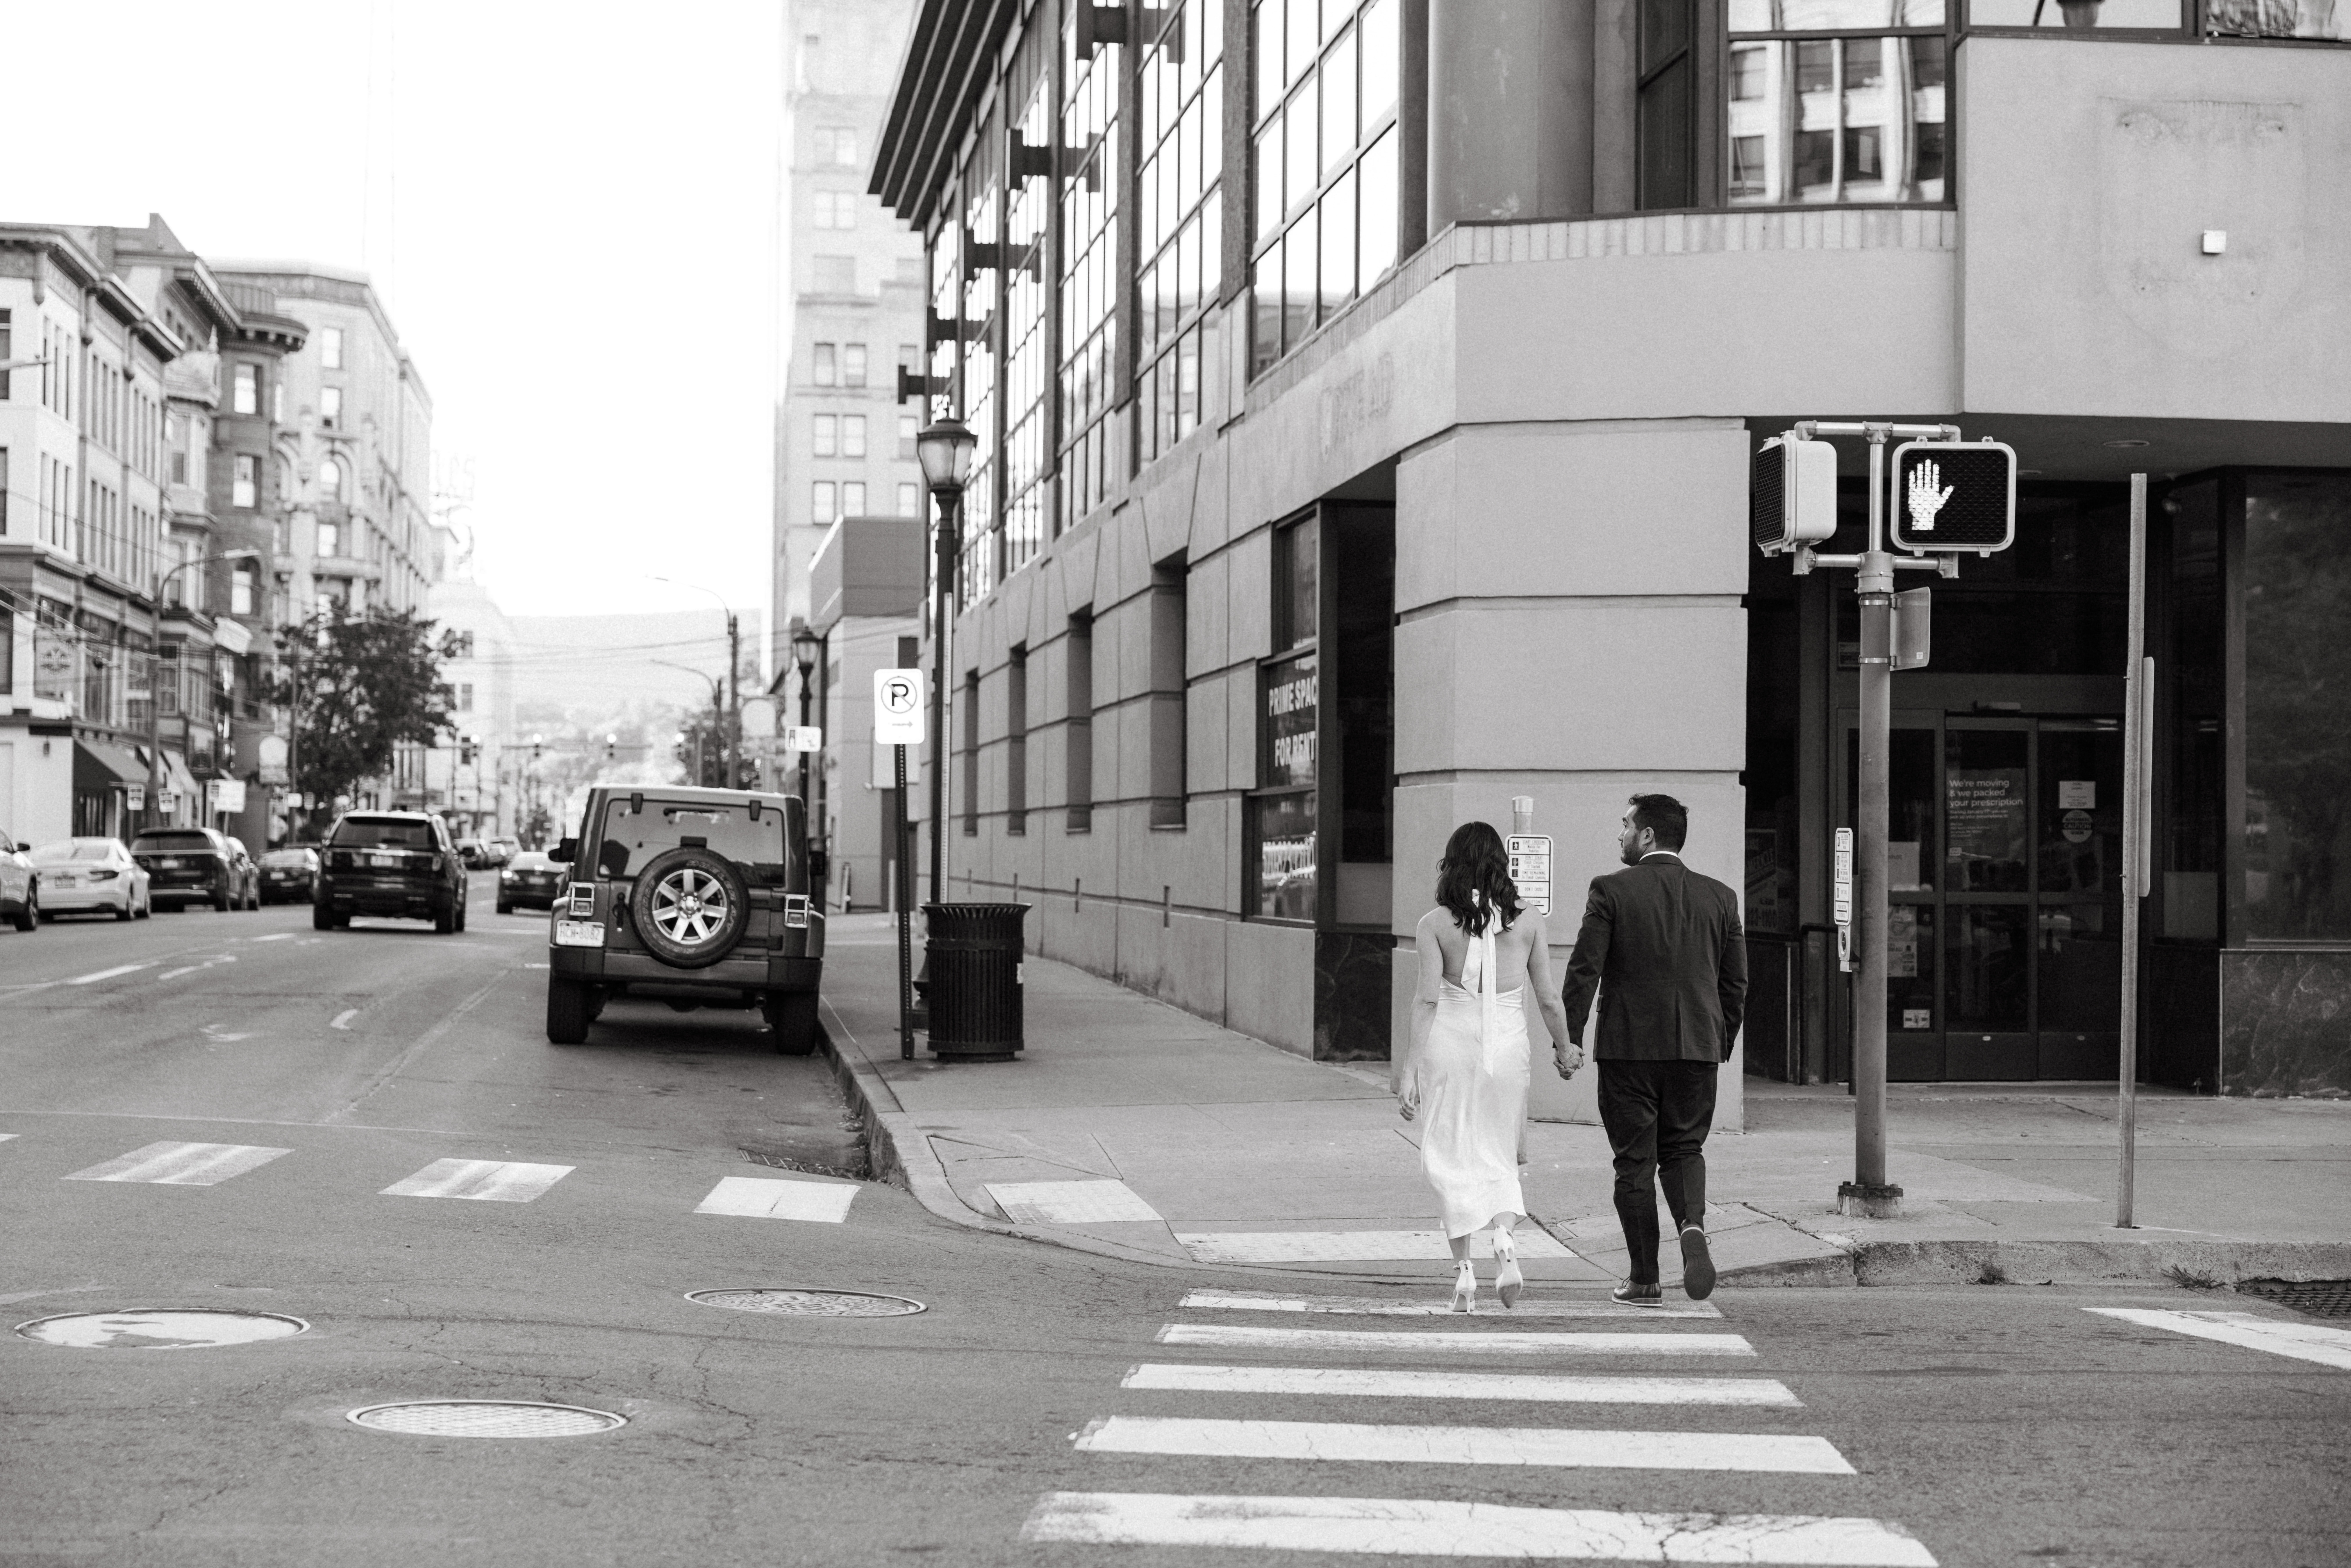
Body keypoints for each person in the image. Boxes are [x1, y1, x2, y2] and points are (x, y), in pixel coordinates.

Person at [1559, 793, 1747, 1307]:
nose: (1618, 834)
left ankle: (1644, 1277)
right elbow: (1736, 984)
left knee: (1634, 1163)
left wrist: (1569, 1039)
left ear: (1646, 836)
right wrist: (1719, 1041)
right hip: (1696, 1049)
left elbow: (1584, 971)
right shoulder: (1721, 897)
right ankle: (1692, 1226)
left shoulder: (1611, 891)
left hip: (1629, 1050)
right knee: (1685, 1148)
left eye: (1625, 825)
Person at [1394, 822, 1580, 1312]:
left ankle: (1465, 1274)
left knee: (1451, 1154)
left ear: (1452, 865)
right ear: (1502, 864)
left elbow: (1427, 999)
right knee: (1498, 1153)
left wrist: (1410, 1069)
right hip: (1508, 1050)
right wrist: (1565, 1048)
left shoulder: (1434, 924)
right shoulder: (1530, 921)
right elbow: (1548, 998)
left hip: (1451, 1048)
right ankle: (1504, 1239)